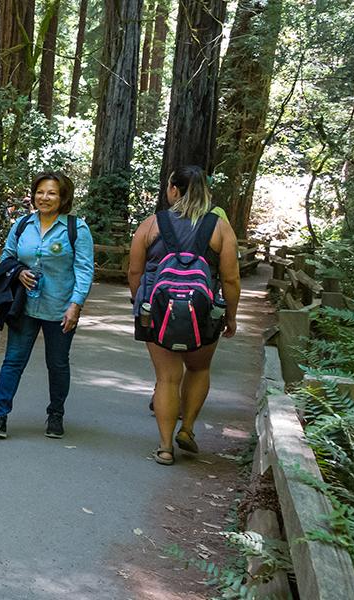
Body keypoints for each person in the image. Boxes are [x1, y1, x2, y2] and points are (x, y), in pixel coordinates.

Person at [128, 166, 239, 465]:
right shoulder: (220, 228)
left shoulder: (152, 224)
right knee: (199, 370)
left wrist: (141, 302)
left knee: (166, 378)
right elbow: (230, 279)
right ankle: (187, 429)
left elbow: (135, 270)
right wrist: (231, 316)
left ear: (174, 190)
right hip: (202, 315)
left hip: (157, 310)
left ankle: (165, 447)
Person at [0, 172, 94, 439]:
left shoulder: (76, 228)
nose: (45, 197)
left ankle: (55, 414)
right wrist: (18, 273)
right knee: (13, 361)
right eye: (40, 192)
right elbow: (7, 257)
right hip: (24, 306)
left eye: (51, 193)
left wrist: (76, 305)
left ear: (63, 197)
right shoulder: (22, 225)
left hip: (60, 307)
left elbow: (84, 270)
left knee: (58, 363)